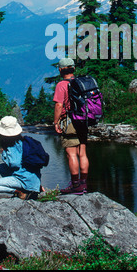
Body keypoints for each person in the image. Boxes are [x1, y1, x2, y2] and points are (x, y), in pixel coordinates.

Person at [53, 57, 89, 195]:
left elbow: (59, 105)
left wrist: (56, 122)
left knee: (71, 153)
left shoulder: (61, 85)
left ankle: (75, 185)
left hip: (69, 121)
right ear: (73, 68)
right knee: (83, 153)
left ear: (61, 69)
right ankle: (83, 185)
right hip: (83, 120)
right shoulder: (81, 82)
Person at [0, 116, 41, 200]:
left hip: (24, 179)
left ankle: (20, 192)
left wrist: (4, 154)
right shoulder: (24, 141)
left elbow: (14, 164)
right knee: (2, 167)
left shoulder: (11, 146)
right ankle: (35, 187)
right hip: (33, 177)